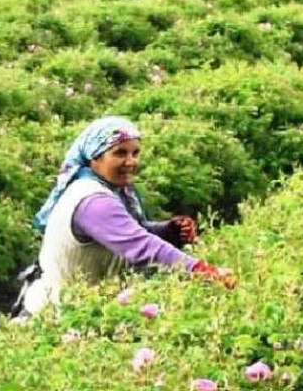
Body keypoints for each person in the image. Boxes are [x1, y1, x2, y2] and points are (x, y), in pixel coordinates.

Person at [13, 116, 236, 321]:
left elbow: (126, 232)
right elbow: (142, 246)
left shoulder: (105, 189)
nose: (130, 162)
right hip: (55, 317)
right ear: (95, 157)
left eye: (135, 153)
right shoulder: (93, 201)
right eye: (120, 153)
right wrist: (204, 272)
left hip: (77, 310)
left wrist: (166, 231)